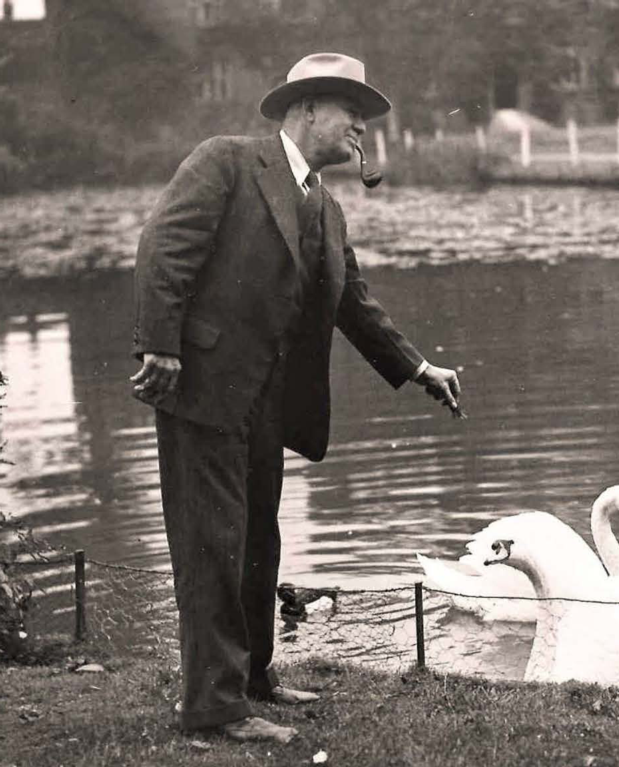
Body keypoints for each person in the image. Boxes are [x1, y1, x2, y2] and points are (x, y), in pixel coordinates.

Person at [131, 52, 462, 744]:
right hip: (201, 388)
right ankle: (213, 712)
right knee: (211, 544)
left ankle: (252, 678)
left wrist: (418, 366)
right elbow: (163, 247)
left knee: (257, 542)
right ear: (307, 108)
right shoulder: (226, 161)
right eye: (353, 115)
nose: (363, 132)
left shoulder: (324, 204)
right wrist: (159, 345)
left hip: (264, 404)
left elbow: (354, 305)